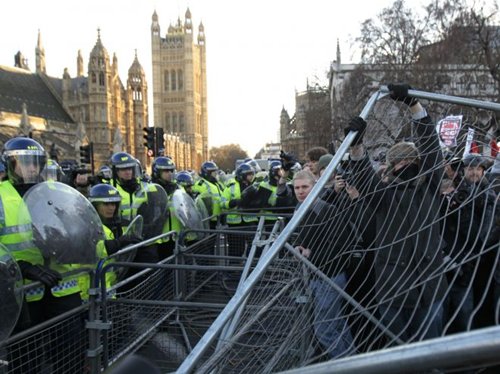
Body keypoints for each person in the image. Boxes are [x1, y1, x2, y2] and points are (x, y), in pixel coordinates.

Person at [344, 83, 448, 343]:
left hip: (430, 289)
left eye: (411, 160)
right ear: (390, 167)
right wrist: (356, 146)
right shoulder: (385, 196)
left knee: (431, 353)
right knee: (397, 354)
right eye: (400, 161)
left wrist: (414, 105)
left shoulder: (431, 188)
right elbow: (365, 179)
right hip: (394, 292)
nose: (406, 165)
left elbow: (431, 149)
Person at [1, 137, 83, 373]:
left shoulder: (55, 192)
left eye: (35, 163)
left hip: (62, 284)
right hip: (22, 290)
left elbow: (75, 230)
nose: (31, 168)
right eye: (24, 163)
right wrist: (20, 265)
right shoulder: (0, 196)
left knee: (70, 353)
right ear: (10, 165)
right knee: (26, 357)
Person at [292, 169, 355, 358]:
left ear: (316, 187)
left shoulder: (328, 211)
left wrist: (311, 254)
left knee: (324, 330)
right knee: (335, 324)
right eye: (297, 188)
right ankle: (355, 360)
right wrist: (298, 247)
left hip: (330, 275)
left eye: (305, 187)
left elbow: (341, 244)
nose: (300, 191)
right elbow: (300, 238)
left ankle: (348, 366)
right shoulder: (298, 210)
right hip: (316, 276)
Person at [80, 184, 141, 300]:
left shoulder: (115, 225)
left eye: (113, 204)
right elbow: (95, 251)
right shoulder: (87, 225)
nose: (111, 208)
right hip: (89, 288)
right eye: (106, 204)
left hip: (108, 284)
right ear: (94, 205)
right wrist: (120, 242)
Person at [110, 152, 159, 275]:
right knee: (124, 277)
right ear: (116, 171)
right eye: (123, 169)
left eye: (129, 168)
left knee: (148, 276)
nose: (127, 172)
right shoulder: (109, 188)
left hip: (144, 239)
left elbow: (159, 207)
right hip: (121, 240)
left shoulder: (145, 186)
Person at [221, 162, 256, 256]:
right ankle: (234, 269)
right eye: (249, 174)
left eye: (252, 174)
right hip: (235, 224)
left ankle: (251, 266)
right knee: (236, 250)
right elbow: (222, 203)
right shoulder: (230, 186)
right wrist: (234, 202)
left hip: (250, 222)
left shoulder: (253, 186)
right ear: (242, 175)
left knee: (254, 247)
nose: (252, 176)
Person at [151, 156, 181, 260]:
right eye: (165, 171)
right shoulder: (151, 190)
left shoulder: (178, 188)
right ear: (157, 172)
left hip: (177, 235)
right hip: (159, 238)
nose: (169, 174)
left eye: (171, 171)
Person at [193, 161, 225, 230]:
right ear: (207, 173)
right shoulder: (200, 184)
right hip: (209, 219)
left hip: (219, 217)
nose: (216, 174)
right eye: (214, 172)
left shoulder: (217, 184)